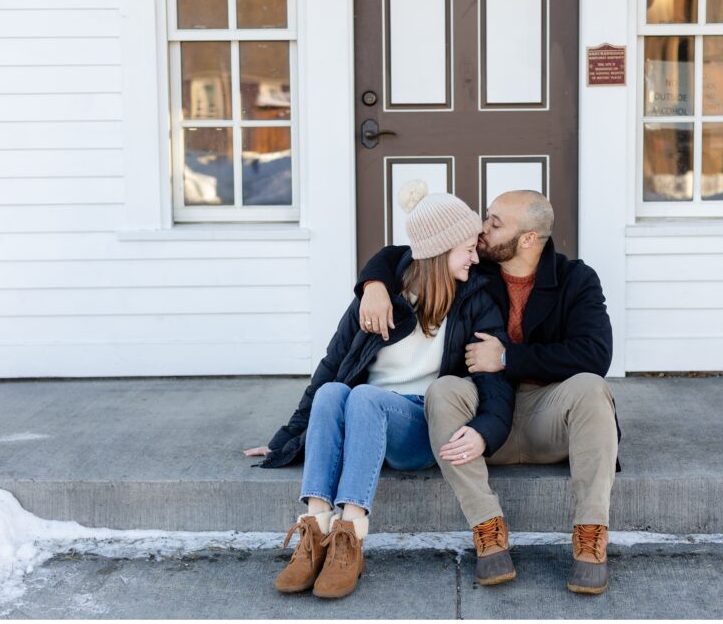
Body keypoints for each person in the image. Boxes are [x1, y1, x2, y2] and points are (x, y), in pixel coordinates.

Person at [244, 181, 514, 599]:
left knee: (365, 396)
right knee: (334, 391)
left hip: (419, 426)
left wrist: (485, 430)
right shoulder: (378, 298)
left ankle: (350, 537)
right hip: (364, 420)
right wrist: (287, 438)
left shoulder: (475, 299)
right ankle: (315, 531)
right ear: (440, 250)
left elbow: (493, 379)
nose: (475, 257)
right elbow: (330, 367)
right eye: (466, 248)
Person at [355, 189, 619, 595]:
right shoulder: (477, 271)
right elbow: (405, 255)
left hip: (549, 416)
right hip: (482, 412)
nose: (482, 230)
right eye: (486, 218)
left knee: (591, 386)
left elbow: (595, 353)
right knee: (443, 390)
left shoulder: (575, 279)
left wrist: (508, 358)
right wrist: (372, 282)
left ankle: (590, 536)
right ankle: (488, 529)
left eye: (495, 223)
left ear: (528, 238)